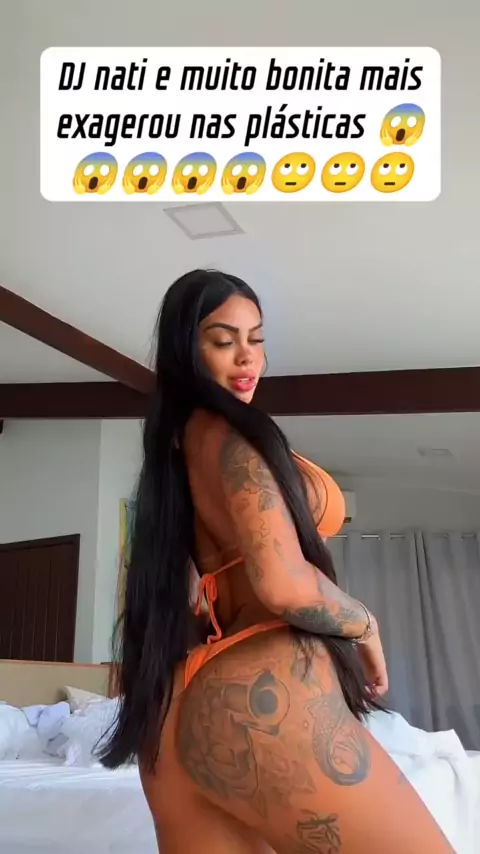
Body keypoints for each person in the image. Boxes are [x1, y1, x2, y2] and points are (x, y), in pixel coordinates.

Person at [100, 270, 453, 853]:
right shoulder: (234, 434)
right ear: (187, 351)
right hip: (265, 695)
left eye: (256, 338)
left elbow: (193, 592)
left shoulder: (175, 448)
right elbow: (284, 583)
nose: (248, 357)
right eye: (223, 340)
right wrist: (365, 625)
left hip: (173, 711)